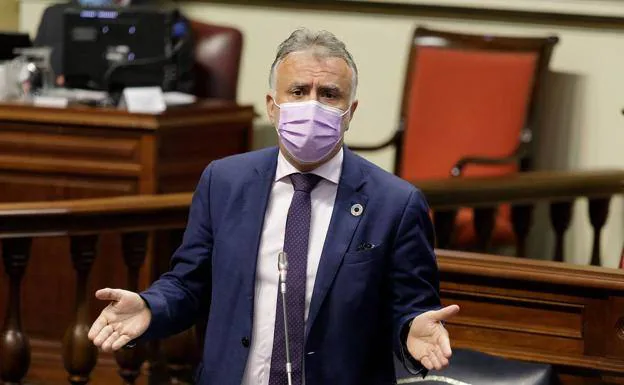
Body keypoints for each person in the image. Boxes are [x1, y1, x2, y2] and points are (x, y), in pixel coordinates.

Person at [88, 28, 460, 385]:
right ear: (272, 106)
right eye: (298, 91)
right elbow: (189, 284)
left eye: (329, 94)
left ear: (351, 111)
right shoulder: (224, 182)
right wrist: (150, 308)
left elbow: (411, 309)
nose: (312, 105)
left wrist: (413, 330)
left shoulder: (395, 203)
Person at [34, 0, 194, 92]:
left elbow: (183, 86)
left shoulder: (166, 19)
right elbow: (33, 77)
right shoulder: (54, 15)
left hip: (134, 122)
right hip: (65, 119)